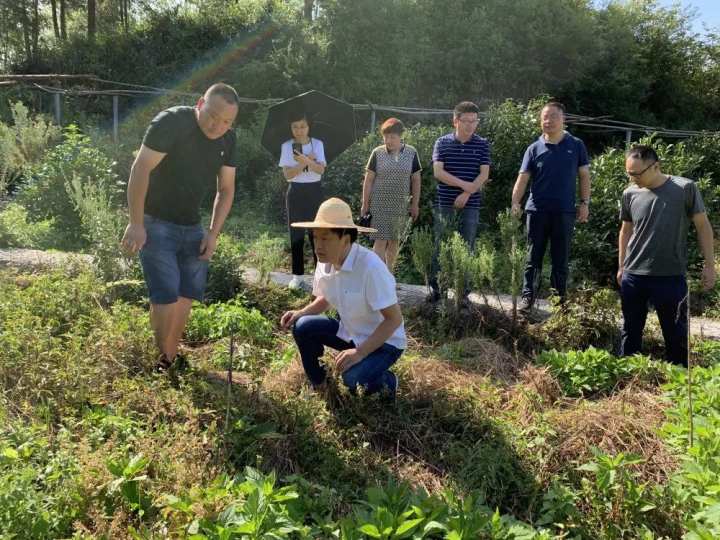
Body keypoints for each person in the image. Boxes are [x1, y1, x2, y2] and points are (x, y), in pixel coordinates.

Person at [121, 83, 240, 370]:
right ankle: (162, 360)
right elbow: (140, 169)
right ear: (200, 104)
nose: (218, 125)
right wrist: (136, 223)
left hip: (193, 227)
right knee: (165, 294)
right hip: (155, 222)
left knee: (186, 295)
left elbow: (226, 189)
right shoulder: (171, 122)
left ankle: (169, 357)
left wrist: (212, 233)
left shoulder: (228, 140)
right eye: (213, 116)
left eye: (226, 121)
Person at [280, 197, 406, 399]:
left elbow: (394, 320)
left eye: (325, 238)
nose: (317, 245)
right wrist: (300, 313)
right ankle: (320, 384)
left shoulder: (371, 268)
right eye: (315, 237)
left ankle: (387, 381)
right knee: (303, 326)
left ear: (345, 239)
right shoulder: (325, 261)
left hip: (385, 343)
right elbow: (325, 298)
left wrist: (360, 353)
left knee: (351, 379)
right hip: (352, 333)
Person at [618, 144, 715, 365]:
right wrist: (621, 266)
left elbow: (703, 227)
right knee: (630, 332)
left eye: (637, 173)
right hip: (634, 274)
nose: (632, 179)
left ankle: (679, 384)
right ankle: (627, 381)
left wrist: (709, 265)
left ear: (656, 166)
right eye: (629, 173)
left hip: (669, 276)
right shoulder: (630, 193)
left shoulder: (684, 188)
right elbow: (625, 230)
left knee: (675, 336)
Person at [511, 101, 591, 312]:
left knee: (560, 258)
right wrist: (515, 203)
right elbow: (522, 179)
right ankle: (528, 298)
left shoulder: (576, 145)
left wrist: (584, 203)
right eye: (545, 117)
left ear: (563, 119)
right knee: (532, 257)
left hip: (564, 211)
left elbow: (584, 177)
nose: (548, 121)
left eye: (553, 116)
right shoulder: (533, 148)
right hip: (536, 210)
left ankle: (559, 302)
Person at [428, 101, 491, 301]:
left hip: (470, 204)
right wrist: (466, 185)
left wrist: (467, 193)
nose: (471, 125)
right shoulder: (442, 142)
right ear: (455, 121)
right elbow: (438, 172)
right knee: (441, 245)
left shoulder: (482, 144)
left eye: (474, 121)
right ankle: (438, 290)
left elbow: (484, 174)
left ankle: (462, 294)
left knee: (467, 245)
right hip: (444, 203)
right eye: (466, 121)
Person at [360, 118, 421, 273]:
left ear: (401, 136)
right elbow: (368, 181)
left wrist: (415, 204)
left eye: (392, 137)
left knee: (394, 242)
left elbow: (416, 180)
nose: (388, 140)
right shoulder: (377, 153)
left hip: (401, 205)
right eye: (386, 137)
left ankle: (389, 275)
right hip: (379, 205)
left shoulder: (411, 153)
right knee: (380, 241)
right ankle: (377, 276)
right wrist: (365, 204)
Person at [279, 112, 326, 289]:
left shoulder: (318, 144)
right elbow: (288, 174)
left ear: (309, 127)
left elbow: (321, 170)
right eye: (295, 127)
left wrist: (306, 159)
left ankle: (319, 276)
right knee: (296, 234)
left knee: (317, 234)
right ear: (291, 128)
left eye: (303, 126)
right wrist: (306, 162)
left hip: (315, 191)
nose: (299, 131)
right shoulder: (286, 146)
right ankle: (297, 276)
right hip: (296, 191)